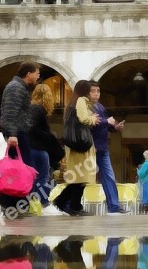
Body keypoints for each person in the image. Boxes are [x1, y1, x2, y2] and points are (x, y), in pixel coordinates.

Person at [0, 62, 40, 216]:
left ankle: (16, 205)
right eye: (36, 73)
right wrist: (12, 134)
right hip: (17, 134)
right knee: (22, 171)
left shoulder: (19, 87)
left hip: (18, 132)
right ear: (28, 73)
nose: (37, 76)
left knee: (18, 170)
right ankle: (15, 205)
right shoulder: (16, 87)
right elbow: (10, 113)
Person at [53, 80, 99, 216]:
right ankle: (69, 204)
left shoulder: (71, 102)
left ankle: (69, 203)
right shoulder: (81, 100)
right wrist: (92, 119)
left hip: (74, 144)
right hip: (80, 145)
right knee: (80, 177)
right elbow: (83, 118)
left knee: (79, 178)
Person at [89, 81, 128, 215]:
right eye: (93, 90)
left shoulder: (100, 106)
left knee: (109, 176)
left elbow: (106, 123)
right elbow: (88, 123)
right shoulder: (85, 106)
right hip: (90, 148)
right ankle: (69, 203)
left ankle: (113, 207)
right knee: (81, 178)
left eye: (98, 91)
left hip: (103, 148)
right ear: (87, 92)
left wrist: (115, 127)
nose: (96, 93)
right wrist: (107, 122)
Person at [28, 83, 66, 216]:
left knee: (34, 179)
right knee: (43, 177)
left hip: (30, 149)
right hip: (38, 149)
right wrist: (49, 136)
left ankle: (33, 204)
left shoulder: (31, 108)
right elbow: (33, 129)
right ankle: (44, 204)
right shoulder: (38, 109)